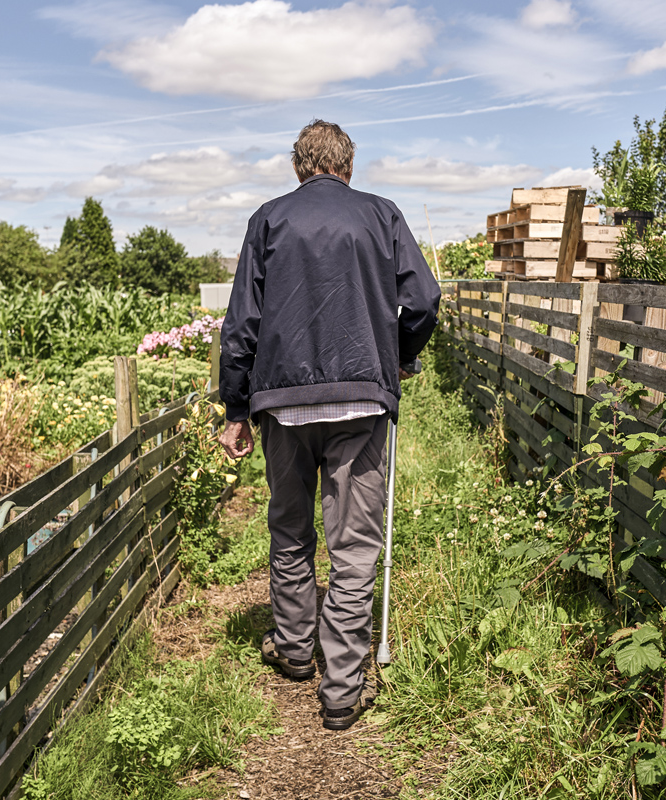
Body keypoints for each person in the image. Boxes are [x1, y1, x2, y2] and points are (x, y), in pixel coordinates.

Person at [218, 119, 440, 731]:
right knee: (355, 547)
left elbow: (241, 324)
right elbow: (422, 299)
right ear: (348, 165)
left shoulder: (268, 218)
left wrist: (236, 409)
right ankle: (341, 690)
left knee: (290, 532)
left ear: (299, 167)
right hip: (361, 404)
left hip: (282, 406)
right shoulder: (381, 215)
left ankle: (293, 651)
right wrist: (398, 355)